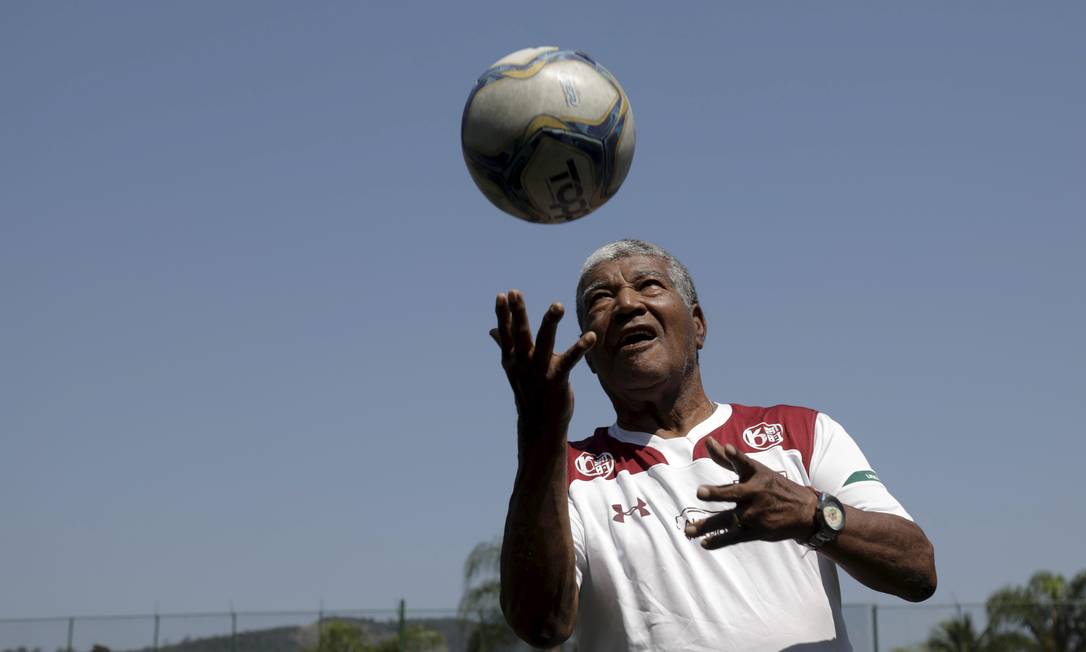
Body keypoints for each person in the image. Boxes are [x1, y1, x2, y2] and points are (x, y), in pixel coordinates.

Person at [490, 239, 936, 651]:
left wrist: (812, 514)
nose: (626, 303)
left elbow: (917, 570)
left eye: (648, 284)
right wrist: (540, 432)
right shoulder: (566, 470)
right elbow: (542, 624)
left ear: (698, 325)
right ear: (588, 355)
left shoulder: (802, 432)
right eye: (600, 300)